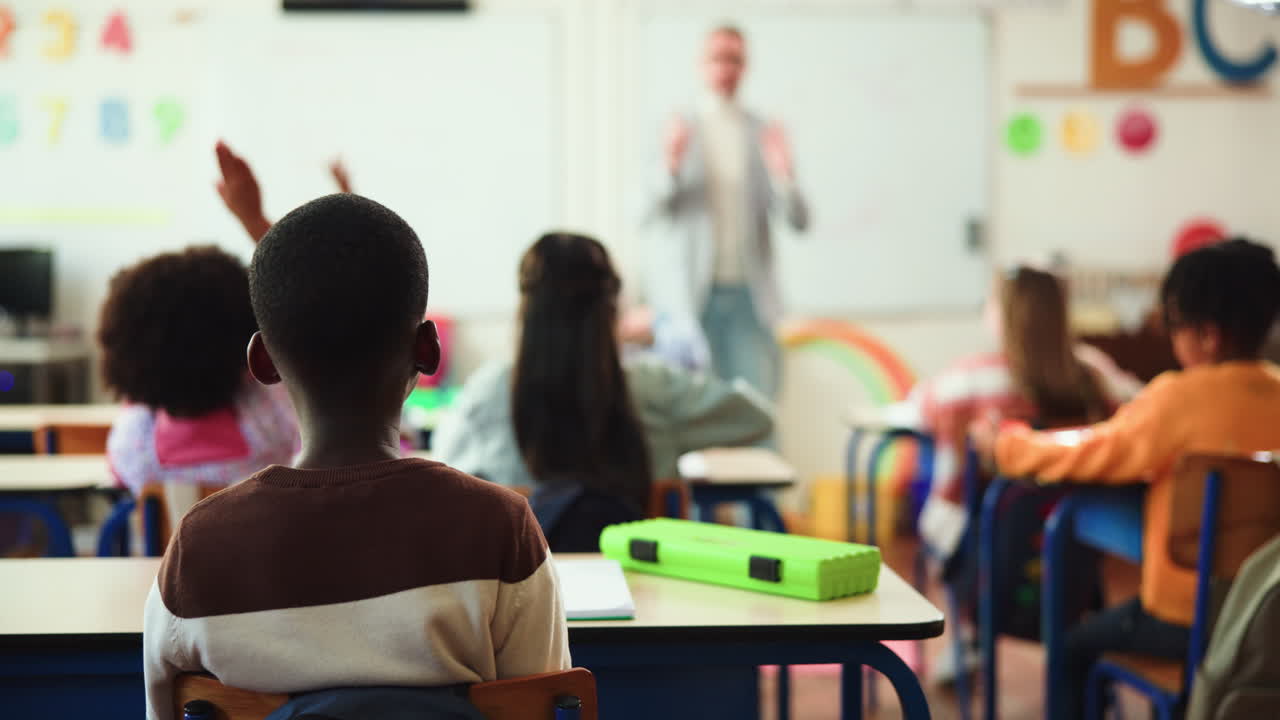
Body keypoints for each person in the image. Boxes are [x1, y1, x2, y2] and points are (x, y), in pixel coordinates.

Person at [143, 195, 569, 719]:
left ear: (262, 360)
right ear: (428, 352)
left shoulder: (199, 550)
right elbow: (544, 708)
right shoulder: (502, 532)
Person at [971, 238, 1280, 720]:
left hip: (1185, 616)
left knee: (1073, 647)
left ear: (1207, 336)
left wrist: (1004, 446)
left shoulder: (1177, 399)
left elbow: (1089, 451)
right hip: (1266, 620)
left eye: (1174, 326)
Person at [433, 232, 774, 550]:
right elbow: (756, 418)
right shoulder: (653, 386)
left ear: (526, 307)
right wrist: (663, 335)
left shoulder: (489, 390)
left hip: (524, 589)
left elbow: (446, 465)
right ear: (612, 309)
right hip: (642, 590)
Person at [911, 266, 1140, 563]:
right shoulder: (1092, 372)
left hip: (986, 537)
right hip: (1076, 533)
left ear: (1001, 314)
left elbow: (921, 409)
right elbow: (1140, 404)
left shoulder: (967, 378)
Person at [645, 24, 809, 399]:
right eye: (717, 58)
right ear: (700, 64)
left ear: (745, 66)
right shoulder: (674, 127)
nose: (725, 68)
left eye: (734, 59)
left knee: (757, 409)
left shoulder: (762, 131)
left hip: (750, 297)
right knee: (690, 408)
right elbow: (644, 211)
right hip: (691, 299)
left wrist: (785, 174)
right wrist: (670, 162)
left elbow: (800, 220)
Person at [98, 246, 298, 500]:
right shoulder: (272, 419)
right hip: (270, 537)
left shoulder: (134, 444)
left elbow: (118, 475)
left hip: (171, 540)